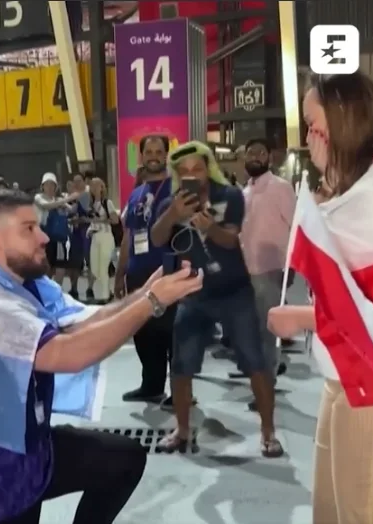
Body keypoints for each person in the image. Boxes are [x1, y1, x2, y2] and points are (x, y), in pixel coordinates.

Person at [0, 189, 203, 524]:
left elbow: (83, 319)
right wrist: (152, 303)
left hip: (27, 444)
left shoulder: (24, 282)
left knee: (122, 460)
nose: (43, 237)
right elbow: (65, 354)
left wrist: (145, 294)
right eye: (29, 229)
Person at [268, 72, 373, 524]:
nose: (308, 139)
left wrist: (301, 317)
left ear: (341, 124)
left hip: (371, 385)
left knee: (359, 512)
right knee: (329, 511)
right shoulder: (355, 191)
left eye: (314, 126)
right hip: (342, 376)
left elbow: (371, 313)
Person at [150, 141, 283, 457]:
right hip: (193, 293)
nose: (192, 175)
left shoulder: (230, 195)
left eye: (197, 168)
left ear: (208, 167)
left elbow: (230, 239)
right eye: (184, 170)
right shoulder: (172, 201)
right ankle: (182, 430)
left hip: (234, 291)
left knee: (255, 362)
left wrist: (209, 227)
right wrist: (173, 214)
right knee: (180, 365)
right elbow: (156, 238)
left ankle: (268, 432)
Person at [114, 135, 176, 405]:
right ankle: (151, 386)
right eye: (148, 151)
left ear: (166, 155)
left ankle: (181, 392)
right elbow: (128, 236)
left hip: (168, 273)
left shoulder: (176, 189)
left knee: (173, 334)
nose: (153, 156)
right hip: (138, 274)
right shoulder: (136, 194)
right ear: (141, 156)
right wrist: (120, 273)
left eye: (158, 151)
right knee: (144, 332)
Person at [235, 138, 296, 396]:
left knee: (268, 332)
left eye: (260, 153)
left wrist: (292, 266)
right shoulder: (244, 192)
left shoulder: (281, 188)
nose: (255, 157)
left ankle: (266, 387)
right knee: (253, 331)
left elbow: (296, 226)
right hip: (246, 270)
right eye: (250, 153)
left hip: (271, 269)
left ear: (269, 158)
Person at [33, 172, 78, 284]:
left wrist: (75, 196)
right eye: (47, 184)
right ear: (42, 186)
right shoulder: (38, 197)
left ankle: (57, 289)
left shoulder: (59, 199)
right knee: (46, 267)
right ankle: (47, 289)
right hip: (43, 238)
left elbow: (72, 210)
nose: (49, 187)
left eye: (52, 184)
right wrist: (65, 200)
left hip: (59, 239)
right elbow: (46, 206)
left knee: (60, 266)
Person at [87, 177, 118, 303]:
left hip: (106, 236)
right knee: (95, 268)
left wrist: (100, 220)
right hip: (95, 237)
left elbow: (115, 220)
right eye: (92, 186)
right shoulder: (91, 205)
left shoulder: (107, 203)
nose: (94, 188)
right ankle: (108, 292)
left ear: (102, 187)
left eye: (97, 186)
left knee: (104, 267)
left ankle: (104, 296)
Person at [67, 174, 92, 301]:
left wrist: (80, 219)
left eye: (79, 181)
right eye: (75, 181)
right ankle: (74, 288)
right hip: (75, 233)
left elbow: (89, 213)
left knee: (89, 260)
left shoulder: (87, 195)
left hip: (86, 231)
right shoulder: (71, 197)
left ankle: (90, 288)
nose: (77, 184)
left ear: (83, 182)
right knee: (74, 262)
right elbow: (68, 213)